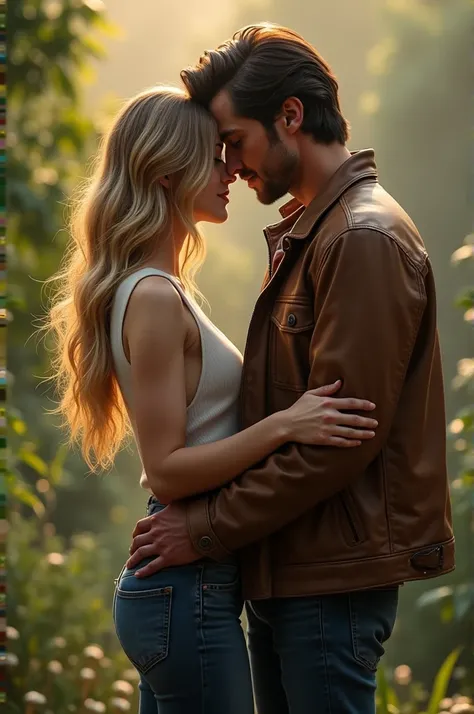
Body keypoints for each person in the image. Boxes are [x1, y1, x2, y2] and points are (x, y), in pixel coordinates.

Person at [127, 24, 455, 714]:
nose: (231, 166)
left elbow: (338, 444)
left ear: (290, 116)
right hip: (292, 574)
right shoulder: (317, 234)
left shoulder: (361, 239)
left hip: (329, 586)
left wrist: (207, 527)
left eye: (235, 142)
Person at [46, 85, 379, 713]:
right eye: (215, 155)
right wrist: (286, 425)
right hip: (183, 592)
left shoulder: (162, 287)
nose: (231, 169)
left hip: (187, 591)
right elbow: (166, 470)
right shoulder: (151, 296)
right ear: (170, 172)